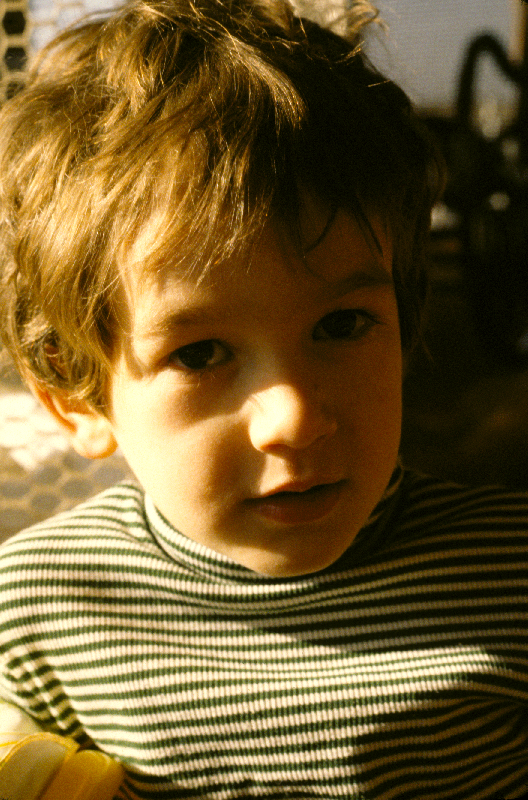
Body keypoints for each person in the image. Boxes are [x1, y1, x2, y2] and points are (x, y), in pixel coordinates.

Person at [0, 1, 527, 798]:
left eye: (342, 324)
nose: (296, 418)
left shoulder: (505, 569)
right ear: (79, 400)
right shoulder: (37, 611)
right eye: (200, 353)